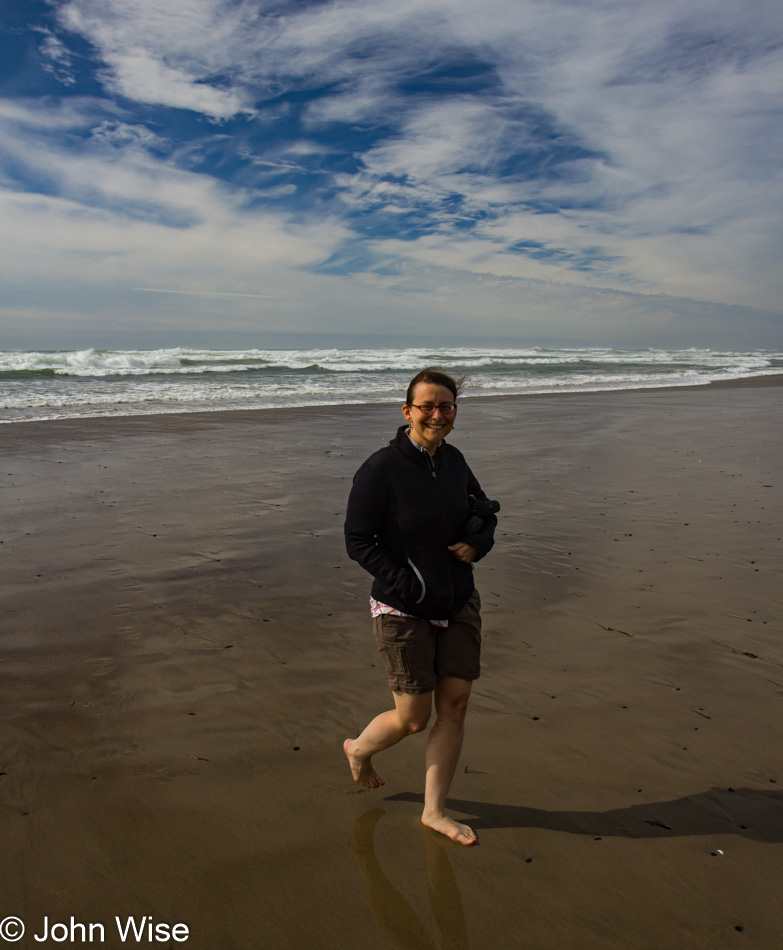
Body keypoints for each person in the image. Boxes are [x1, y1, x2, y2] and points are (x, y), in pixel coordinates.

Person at [343, 367, 497, 845]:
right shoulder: (380, 469)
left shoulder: (453, 461)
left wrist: (479, 542)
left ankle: (434, 811)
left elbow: (482, 508)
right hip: (402, 608)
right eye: (426, 406)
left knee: (456, 705)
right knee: (413, 717)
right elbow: (358, 540)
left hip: (458, 600)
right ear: (407, 411)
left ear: (454, 412)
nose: (437, 414)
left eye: (445, 406)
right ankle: (357, 749)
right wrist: (407, 584)